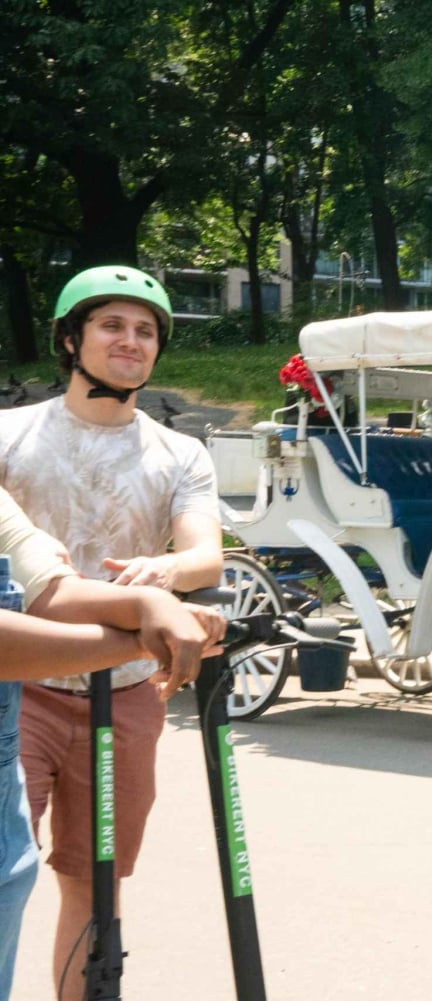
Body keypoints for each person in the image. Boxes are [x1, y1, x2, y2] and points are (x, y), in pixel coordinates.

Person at [0, 265, 223, 1000]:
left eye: (146, 330)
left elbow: (205, 554)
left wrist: (168, 570)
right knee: (3, 874)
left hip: (125, 691)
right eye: (112, 325)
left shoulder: (179, 452)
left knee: (95, 883)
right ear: (70, 339)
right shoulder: (10, 435)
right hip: (21, 685)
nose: (131, 340)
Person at [0, 487, 221, 1000]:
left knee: (94, 881)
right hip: (34, 695)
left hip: (109, 707)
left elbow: (49, 591)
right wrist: (139, 638)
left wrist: (152, 602)